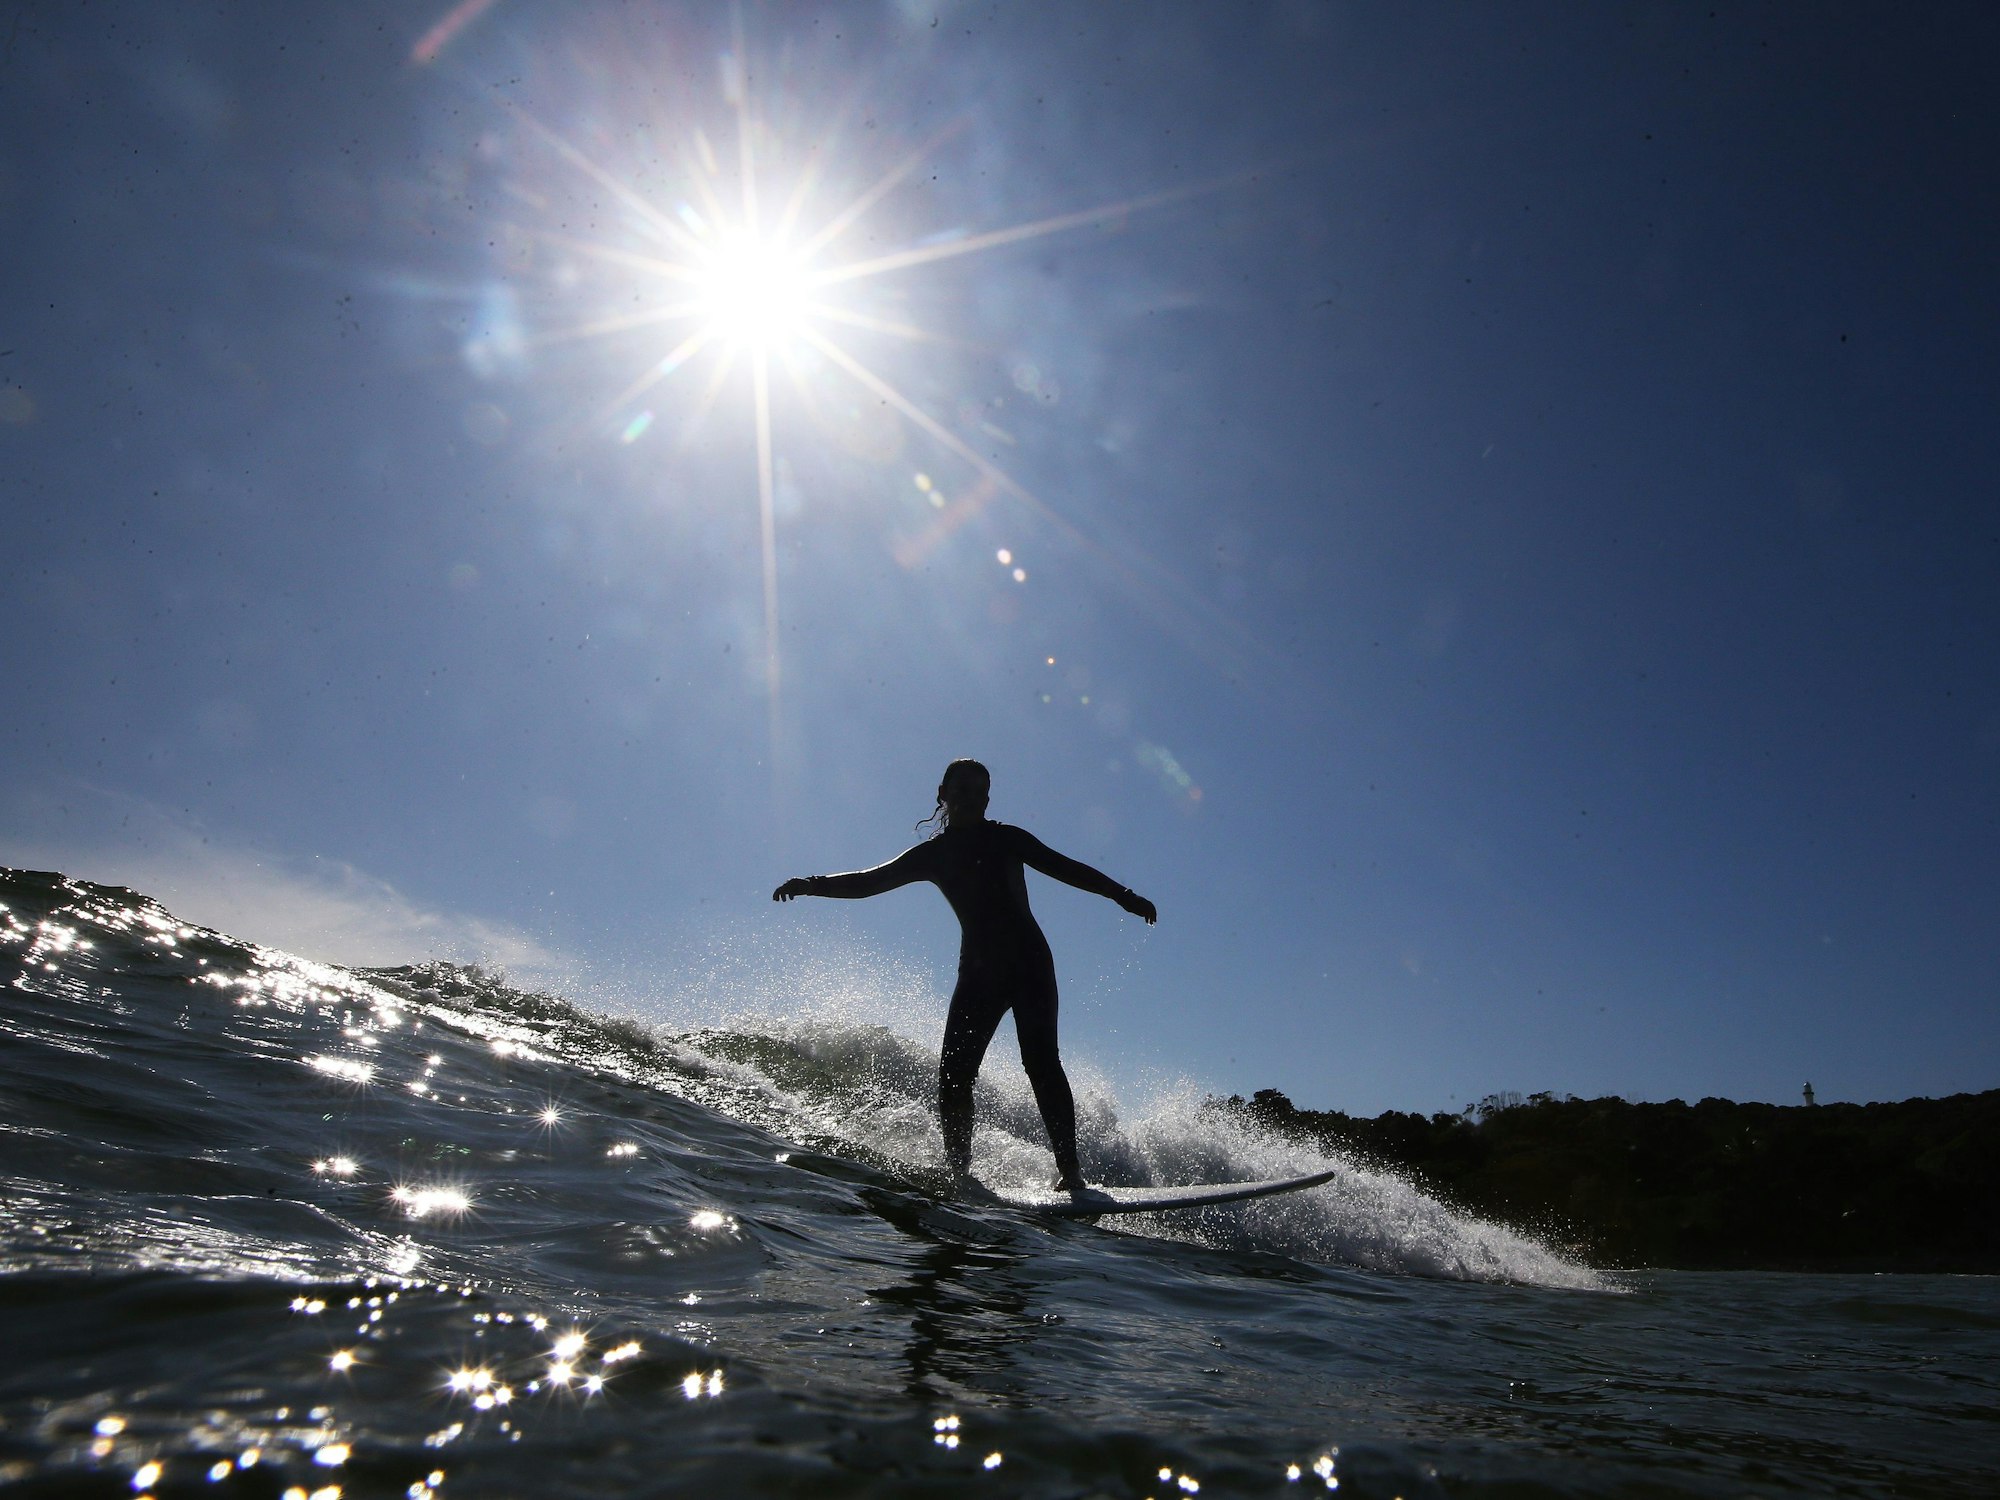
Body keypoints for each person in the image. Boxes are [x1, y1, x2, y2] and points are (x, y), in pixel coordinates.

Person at [773, 759, 1155, 1194]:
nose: (971, 796)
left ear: (988, 798)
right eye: (962, 788)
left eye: (980, 790)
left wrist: (1121, 895)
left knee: (1041, 1063)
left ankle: (1070, 1174)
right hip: (979, 972)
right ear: (943, 793)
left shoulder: (1007, 838)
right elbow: (868, 882)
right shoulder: (933, 855)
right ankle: (961, 1176)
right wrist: (811, 883)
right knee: (954, 1074)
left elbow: (1065, 867)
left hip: (1030, 963)